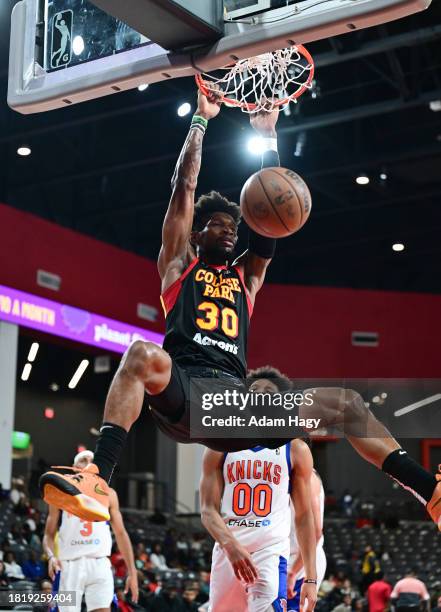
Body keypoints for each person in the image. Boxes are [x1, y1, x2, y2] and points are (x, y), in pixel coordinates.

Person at [39, 87, 441, 533]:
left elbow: (268, 222)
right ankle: (98, 478)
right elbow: (184, 189)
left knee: (345, 403)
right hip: (184, 390)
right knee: (141, 354)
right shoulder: (178, 266)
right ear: (196, 235)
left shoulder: (246, 279)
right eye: (219, 225)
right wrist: (201, 119)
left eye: (235, 226)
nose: (230, 232)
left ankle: (430, 492)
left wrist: (268, 137)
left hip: (233, 406)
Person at [200, 436, 318, 612]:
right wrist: (231, 546)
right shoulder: (219, 444)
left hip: (270, 551)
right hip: (229, 552)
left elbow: (304, 516)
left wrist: (310, 578)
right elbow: (208, 510)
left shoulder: (295, 449)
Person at [43, 450, 138, 612]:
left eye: (91, 460)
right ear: (74, 467)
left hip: (99, 561)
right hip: (70, 564)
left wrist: (132, 571)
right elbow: (48, 535)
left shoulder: (109, 493)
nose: (87, 462)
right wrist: (51, 556)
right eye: (83, 459)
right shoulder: (60, 493)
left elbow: (121, 534)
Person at [287, 468, 326, 612]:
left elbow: (315, 531)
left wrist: (292, 571)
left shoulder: (307, 476)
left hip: (300, 565)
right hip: (287, 561)